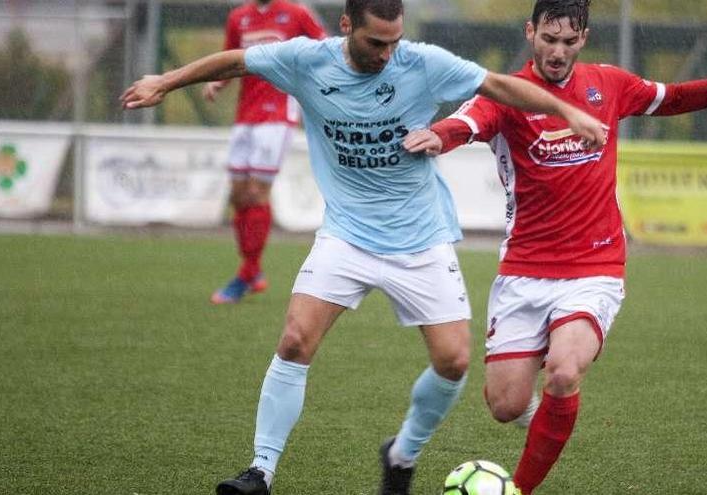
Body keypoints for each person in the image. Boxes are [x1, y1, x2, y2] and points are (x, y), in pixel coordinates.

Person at [120, 1, 608, 494]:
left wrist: (565, 108)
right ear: (347, 26)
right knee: (294, 340)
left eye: (394, 41)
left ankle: (402, 452)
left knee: (454, 362)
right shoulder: (306, 59)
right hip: (346, 236)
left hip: (420, 238)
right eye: (376, 43)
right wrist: (165, 81)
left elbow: (499, 86)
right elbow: (235, 61)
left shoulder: (421, 62)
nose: (386, 53)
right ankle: (260, 471)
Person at [403, 1, 707, 493]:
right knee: (504, 406)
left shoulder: (607, 84)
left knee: (565, 372)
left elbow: (672, 97)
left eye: (569, 41)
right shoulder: (510, 94)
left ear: (583, 38)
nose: (558, 51)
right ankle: (541, 396)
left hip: (595, 265)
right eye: (549, 39)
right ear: (531, 32)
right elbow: (469, 121)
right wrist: (438, 137)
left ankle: (520, 489)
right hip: (524, 269)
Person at [204, 0, 326, 304]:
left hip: (277, 114)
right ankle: (252, 270)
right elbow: (230, 58)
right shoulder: (239, 18)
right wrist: (218, 83)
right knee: (237, 195)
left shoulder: (296, 13)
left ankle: (247, 273)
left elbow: (326, 50)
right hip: (245, 114)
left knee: (258, 192)